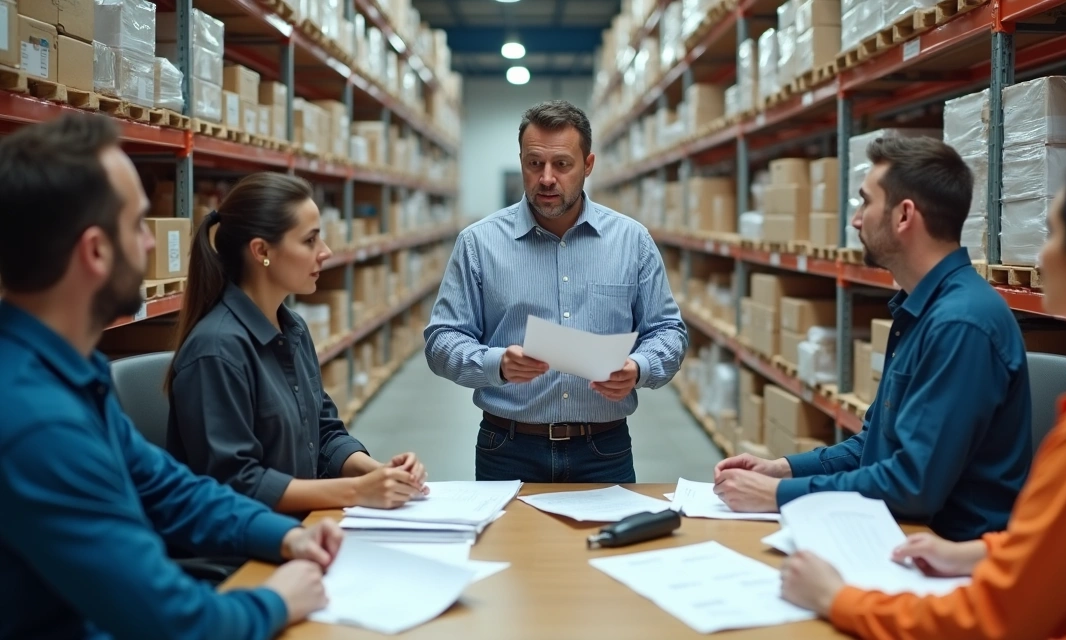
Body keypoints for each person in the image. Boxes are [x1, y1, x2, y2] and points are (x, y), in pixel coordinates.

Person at [779, 154, 1066, 639]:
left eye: (1051, 234)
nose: (1041, 253)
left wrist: (839, 600)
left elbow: (994, 620)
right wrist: (980, 553)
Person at [0, 114, 340, 638]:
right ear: (95, 251)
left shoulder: (72, 372)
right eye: (138, 224)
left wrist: (283, 536)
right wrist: (275, 599)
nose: (153, 244)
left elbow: (167, 488)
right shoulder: (38, 425)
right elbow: (170, 620)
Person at [714, 137, 1032, 541]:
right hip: (900, 535)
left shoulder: (960, 325)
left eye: (865, 202)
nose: (856, 220)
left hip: (947, 558)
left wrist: (779, 495)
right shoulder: (921, 310)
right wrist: (784, 469)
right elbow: (874, 446)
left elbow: (912, 486)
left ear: (903, 216)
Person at [424, 100, 688, 483]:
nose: (547, 178)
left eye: (562, 164)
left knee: (608, 545)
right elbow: (441, 340)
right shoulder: (478, 243)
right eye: (535, 164)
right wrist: (495, 363)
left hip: (603, 448)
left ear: (588, 165)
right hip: (508, 447)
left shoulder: (632, 241)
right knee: (510, 546)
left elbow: (668, 332)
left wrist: (638, 368)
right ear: (522, 162)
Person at [166, 172, 428, 516]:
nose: (326, 252)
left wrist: (378, 472)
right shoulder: (216, 351)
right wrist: (355, 491)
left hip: (301, 529)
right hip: (239, 554)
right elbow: (235, 484)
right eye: (310, 241)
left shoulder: (293, 329)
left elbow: (322, 431)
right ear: (262, 251)